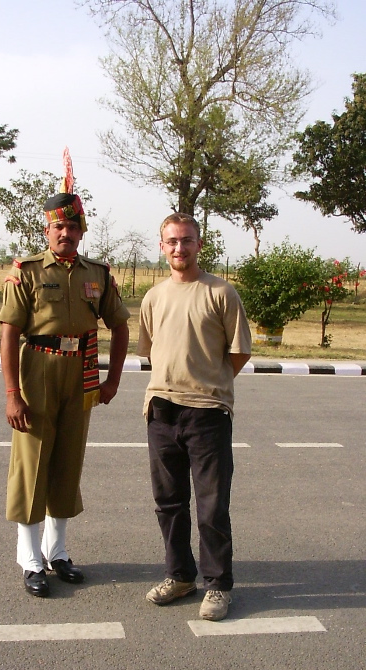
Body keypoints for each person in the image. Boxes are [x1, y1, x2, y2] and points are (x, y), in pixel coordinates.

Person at [0, 189, 130, 598]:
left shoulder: (98, 274)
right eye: (59, 226)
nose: (66, 233)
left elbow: (120, 325)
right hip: (38, 367)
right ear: (47, 229)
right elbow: (9, 333)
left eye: (73, 227)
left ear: (81, 231)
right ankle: (30, 558)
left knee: (68, 460)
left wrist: (113, 380)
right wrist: (11, 392)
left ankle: (58, 552)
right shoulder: (29, 271)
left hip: (82, 371)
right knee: (33, 462)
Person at [137, 213, 251, 621]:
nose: (179, 248)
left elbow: (238, 353)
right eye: (171, 241)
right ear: (161, 246)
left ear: (199, 244)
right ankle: (180, 575)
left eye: (186, 240)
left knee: (212, 507)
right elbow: (150, 351)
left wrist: (210, 383)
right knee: (168, 503)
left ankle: (218, 585)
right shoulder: (153, 297)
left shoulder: (221, 293)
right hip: (161, 412)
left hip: (207, 414)